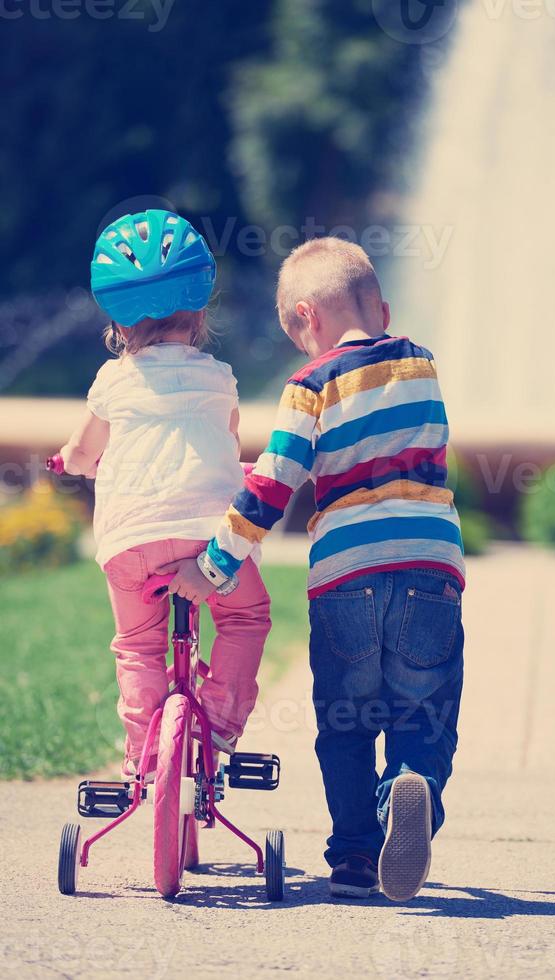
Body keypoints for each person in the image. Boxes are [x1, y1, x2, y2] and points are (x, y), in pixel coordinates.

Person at [159, 237, 465, 902]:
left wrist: (213, 567)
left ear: (309, 317)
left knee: (347, 722)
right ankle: (412, 787)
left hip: (345, 578)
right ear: (379, 307)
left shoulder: (309, 385)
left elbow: (273, 485)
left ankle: (354, 857)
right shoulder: (421, 363)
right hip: (429, 570)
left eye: (302, 338)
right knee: (425, 712)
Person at [57, 209, 271, 780]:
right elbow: (225, 444)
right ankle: (221, 722)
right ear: (200, 310)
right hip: (210, 536)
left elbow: (81, 455)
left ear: (118, 319)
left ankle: (144, 756)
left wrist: (73, 463)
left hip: (131, 541)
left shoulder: (111, 380)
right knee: (246, 617)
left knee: (137, 645)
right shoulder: (220, 376)